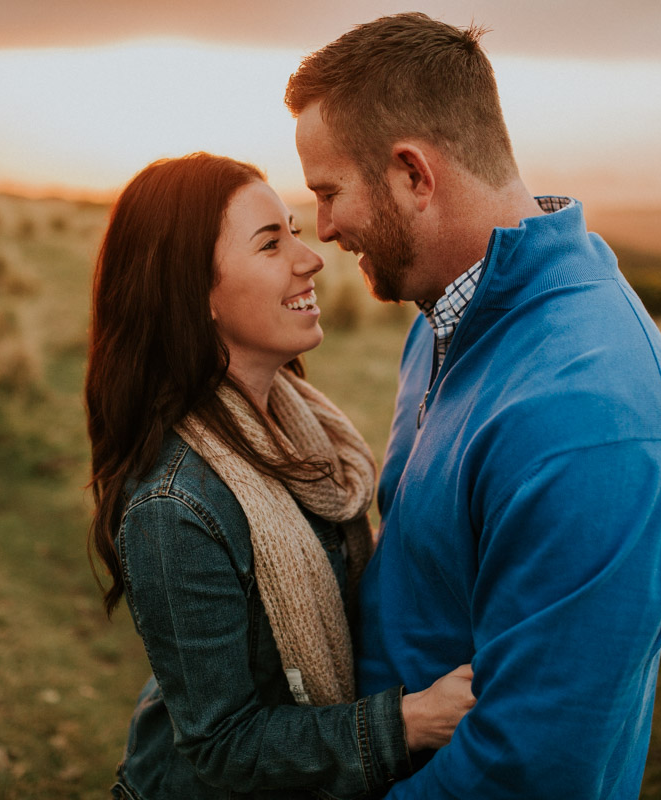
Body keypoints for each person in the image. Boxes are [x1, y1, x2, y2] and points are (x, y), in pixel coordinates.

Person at [285, 13, 661, 799]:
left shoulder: (596, 427)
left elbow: (530, 772)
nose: (325, 228)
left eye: (330, 192)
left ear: (414, 174)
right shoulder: (448, 318)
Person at [85, 152, 475, 800]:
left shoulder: (301, 425)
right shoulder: (173, 507)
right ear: (195, 293)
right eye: (271, 243)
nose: (311, 257)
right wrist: (409, 722)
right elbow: (223, 745)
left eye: (294, 229)